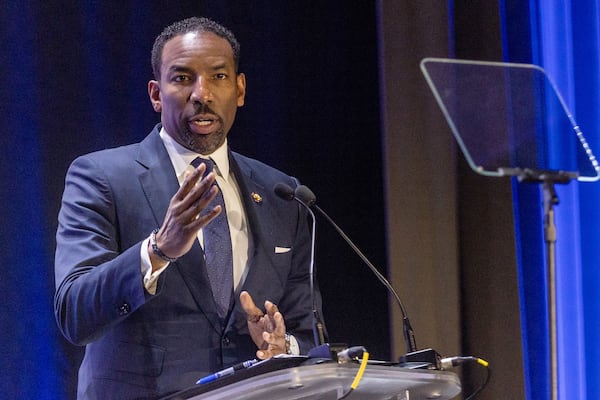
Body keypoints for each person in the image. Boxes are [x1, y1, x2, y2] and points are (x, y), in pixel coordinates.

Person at [54, 16, 322, 399]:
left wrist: (285, 347)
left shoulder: (283, 194)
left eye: (218, 77)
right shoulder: (101, 178)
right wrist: (157, 251)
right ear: (155, 94)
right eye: (182, 78)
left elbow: (309, 333)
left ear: (240, 89)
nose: (202, 93)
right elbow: (75, 314)